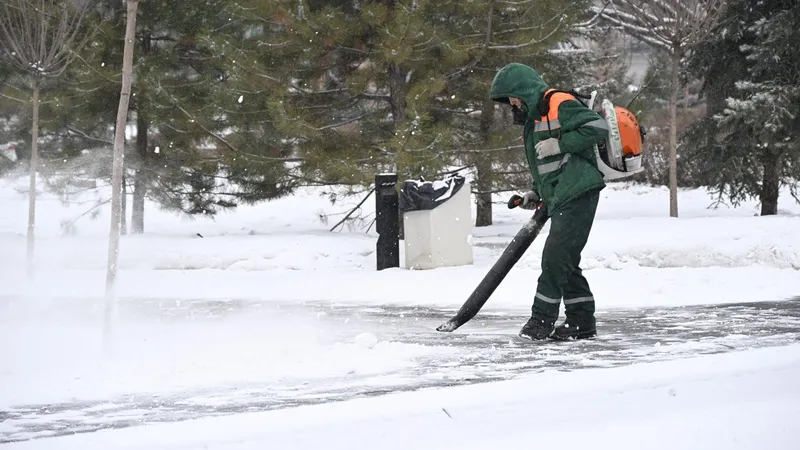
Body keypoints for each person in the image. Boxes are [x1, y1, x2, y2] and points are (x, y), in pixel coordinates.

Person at [489, 62, 609, 341]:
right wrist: (534, 193)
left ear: (523, 91)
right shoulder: (535, 121)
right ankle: (581, 322)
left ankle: (540, 322)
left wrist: (561, 143)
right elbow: (547, 166)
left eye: (513, 98)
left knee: (555, 259)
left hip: (578, 191)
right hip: (562, 193)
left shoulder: (558, 102)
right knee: (565, 261)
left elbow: (597, 126)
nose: (513, 105)